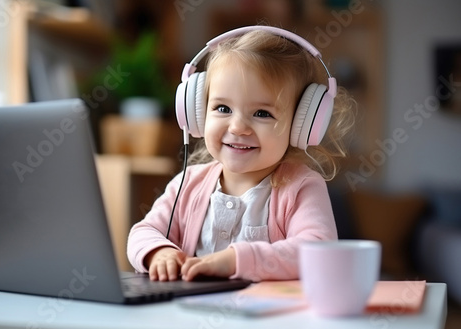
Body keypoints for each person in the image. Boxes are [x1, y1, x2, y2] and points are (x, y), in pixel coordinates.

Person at [127, 26, 355, 282]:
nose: (237, 127)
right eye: (223, 108)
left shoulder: (301, 187)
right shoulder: (189, 183)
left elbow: (318, 252)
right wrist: (159, 252)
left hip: (271, 317)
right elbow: (143, 232)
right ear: (197, 113)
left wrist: (237, 260)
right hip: (191, 315)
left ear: (301, 126)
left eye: (262, 113)